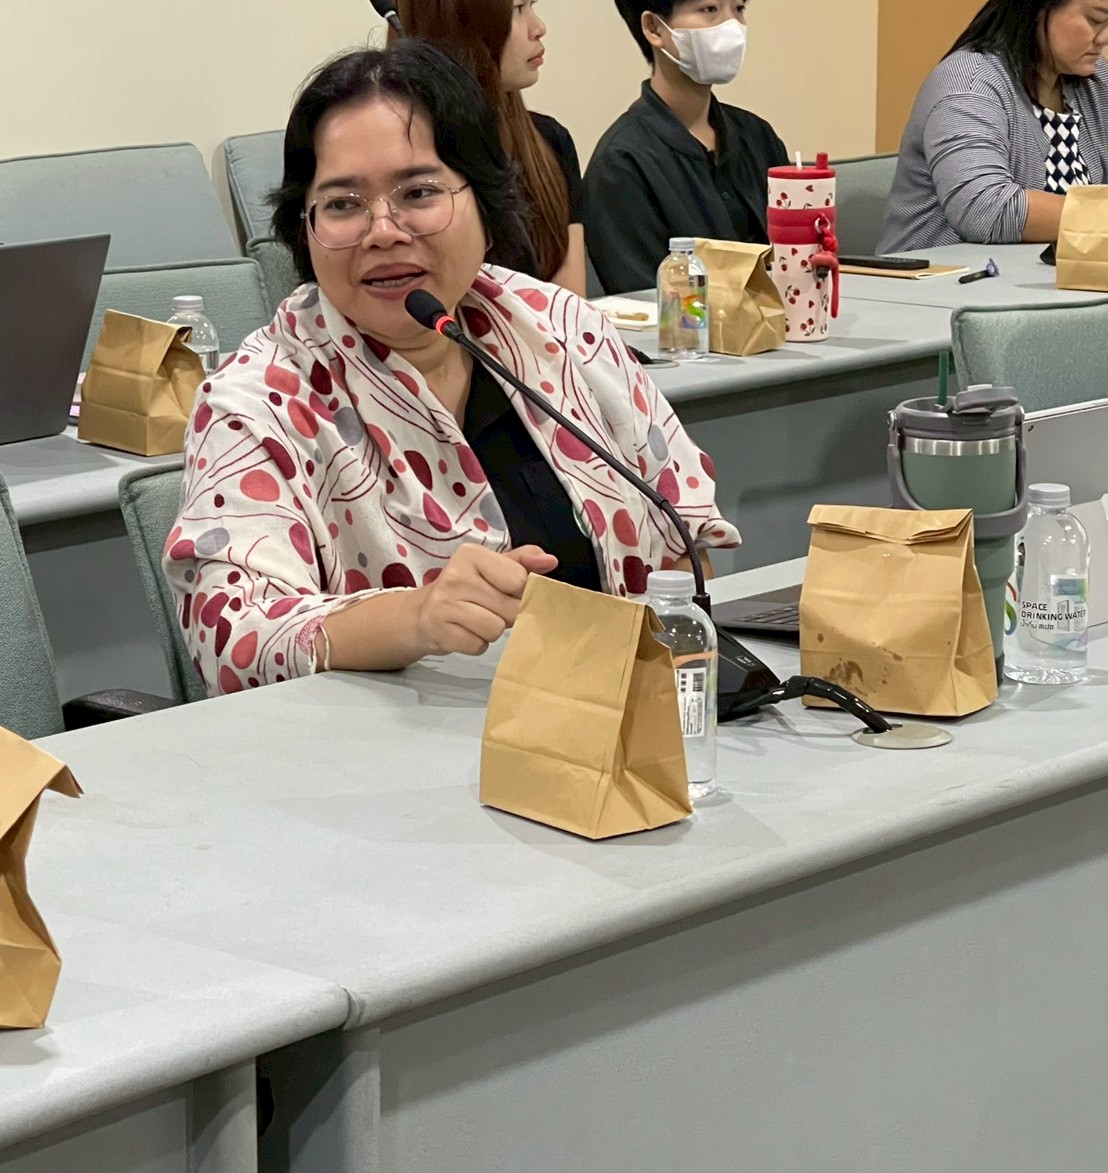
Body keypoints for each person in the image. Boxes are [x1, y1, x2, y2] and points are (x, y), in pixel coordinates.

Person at [165, 40, 739, 695]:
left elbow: (682, 540)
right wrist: (414, 618)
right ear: (305, 227)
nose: (383, 230)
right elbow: (232, 640)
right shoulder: (256, 402)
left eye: (418, 192)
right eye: (343, 204)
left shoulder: (562, 330)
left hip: (608, 720)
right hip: (381, 750)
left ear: (484, 202)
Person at [879, 0, 1108, 253]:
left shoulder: (1094, 80)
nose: (1104, 38)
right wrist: (1099, 215)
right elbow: (984, 209)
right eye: (1096, 20)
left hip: (1048, 281)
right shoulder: (969, 82)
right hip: (944, 282)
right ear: (1041, 4)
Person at [582, 0, 789, 294]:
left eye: (738, 9)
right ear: (654, 28)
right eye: (709, 9)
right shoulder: (622, 163)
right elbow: (641, 299)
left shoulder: (758, 136)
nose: (731, 27)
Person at [390, 0, 585, 295]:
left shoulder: (550, 143)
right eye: (517, 8)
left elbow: (570, 310)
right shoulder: (403, 158)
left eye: (532, 4)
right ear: (460, 21)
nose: (538, 27)